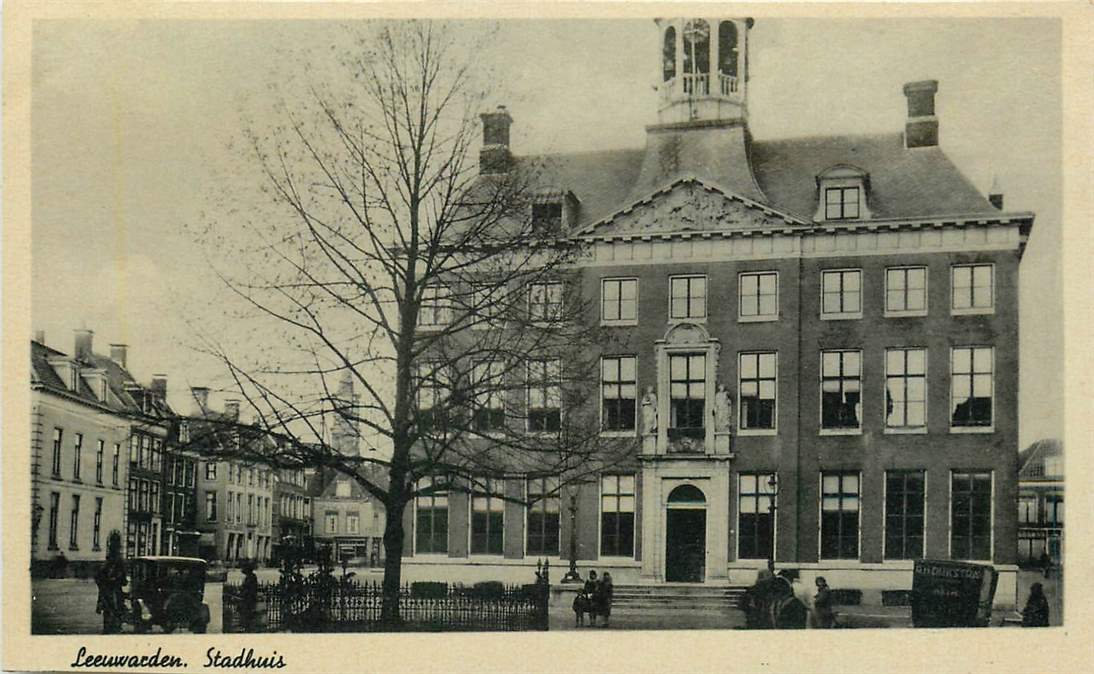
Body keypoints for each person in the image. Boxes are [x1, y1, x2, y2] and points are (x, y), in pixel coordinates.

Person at [94, 531, 127, 634]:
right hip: (113, 591)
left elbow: (99, 577)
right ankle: (115, 627)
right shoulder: (118, 561)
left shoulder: (108, 562)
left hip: (107, 591)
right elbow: (123, 579)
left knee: (109, 610)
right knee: (116, 608)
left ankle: (109, 627)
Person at [240, 560, 259, 632]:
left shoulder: (251, 577)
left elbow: (251, 588)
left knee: (248, 613)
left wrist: (244, 592)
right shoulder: (249, 577)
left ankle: (248, 627)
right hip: (247, 598)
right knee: (246, 613)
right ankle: (247, 626)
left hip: (249, 598)